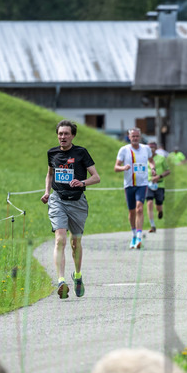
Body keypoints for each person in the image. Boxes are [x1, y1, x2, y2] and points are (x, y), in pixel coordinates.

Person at [41, 119, 100, 298]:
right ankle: (61, 281)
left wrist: (82, 182)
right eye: (60, 134)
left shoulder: (81, 153)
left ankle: (78, 275)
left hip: (77, 203)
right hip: (58, 200)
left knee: (76, 243)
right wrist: (46, 192)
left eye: (66, 134)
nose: (63, 137)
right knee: (60, 239)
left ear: (72, 135)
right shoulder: (52, 153)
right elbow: (49, 174)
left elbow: (96, 177)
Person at [114, 128, 156, 249]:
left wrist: (153, 168)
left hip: (142, 184)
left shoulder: (146, 149)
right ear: (129, 137)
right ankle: (133, 235)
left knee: (139, 208)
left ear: (140, 137)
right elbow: (116, 167)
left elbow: (151, 161)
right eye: (133, 136)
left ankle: (139, 236)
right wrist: (123, 168)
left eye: (137, 136)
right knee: (132, 212)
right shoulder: (124, 150)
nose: (135, 138)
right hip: (129, 184)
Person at [145, 139, 170, 233]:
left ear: (156, 148)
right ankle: (152, 225)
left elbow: (168, 171)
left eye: (153, 147)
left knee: (158, 205)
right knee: (149, 202)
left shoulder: (161, 158)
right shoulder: (144, 158)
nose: (151, 149)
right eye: (150, 147)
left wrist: (159, 176)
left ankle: (160, 211)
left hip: (159, 184)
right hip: (148, 184)